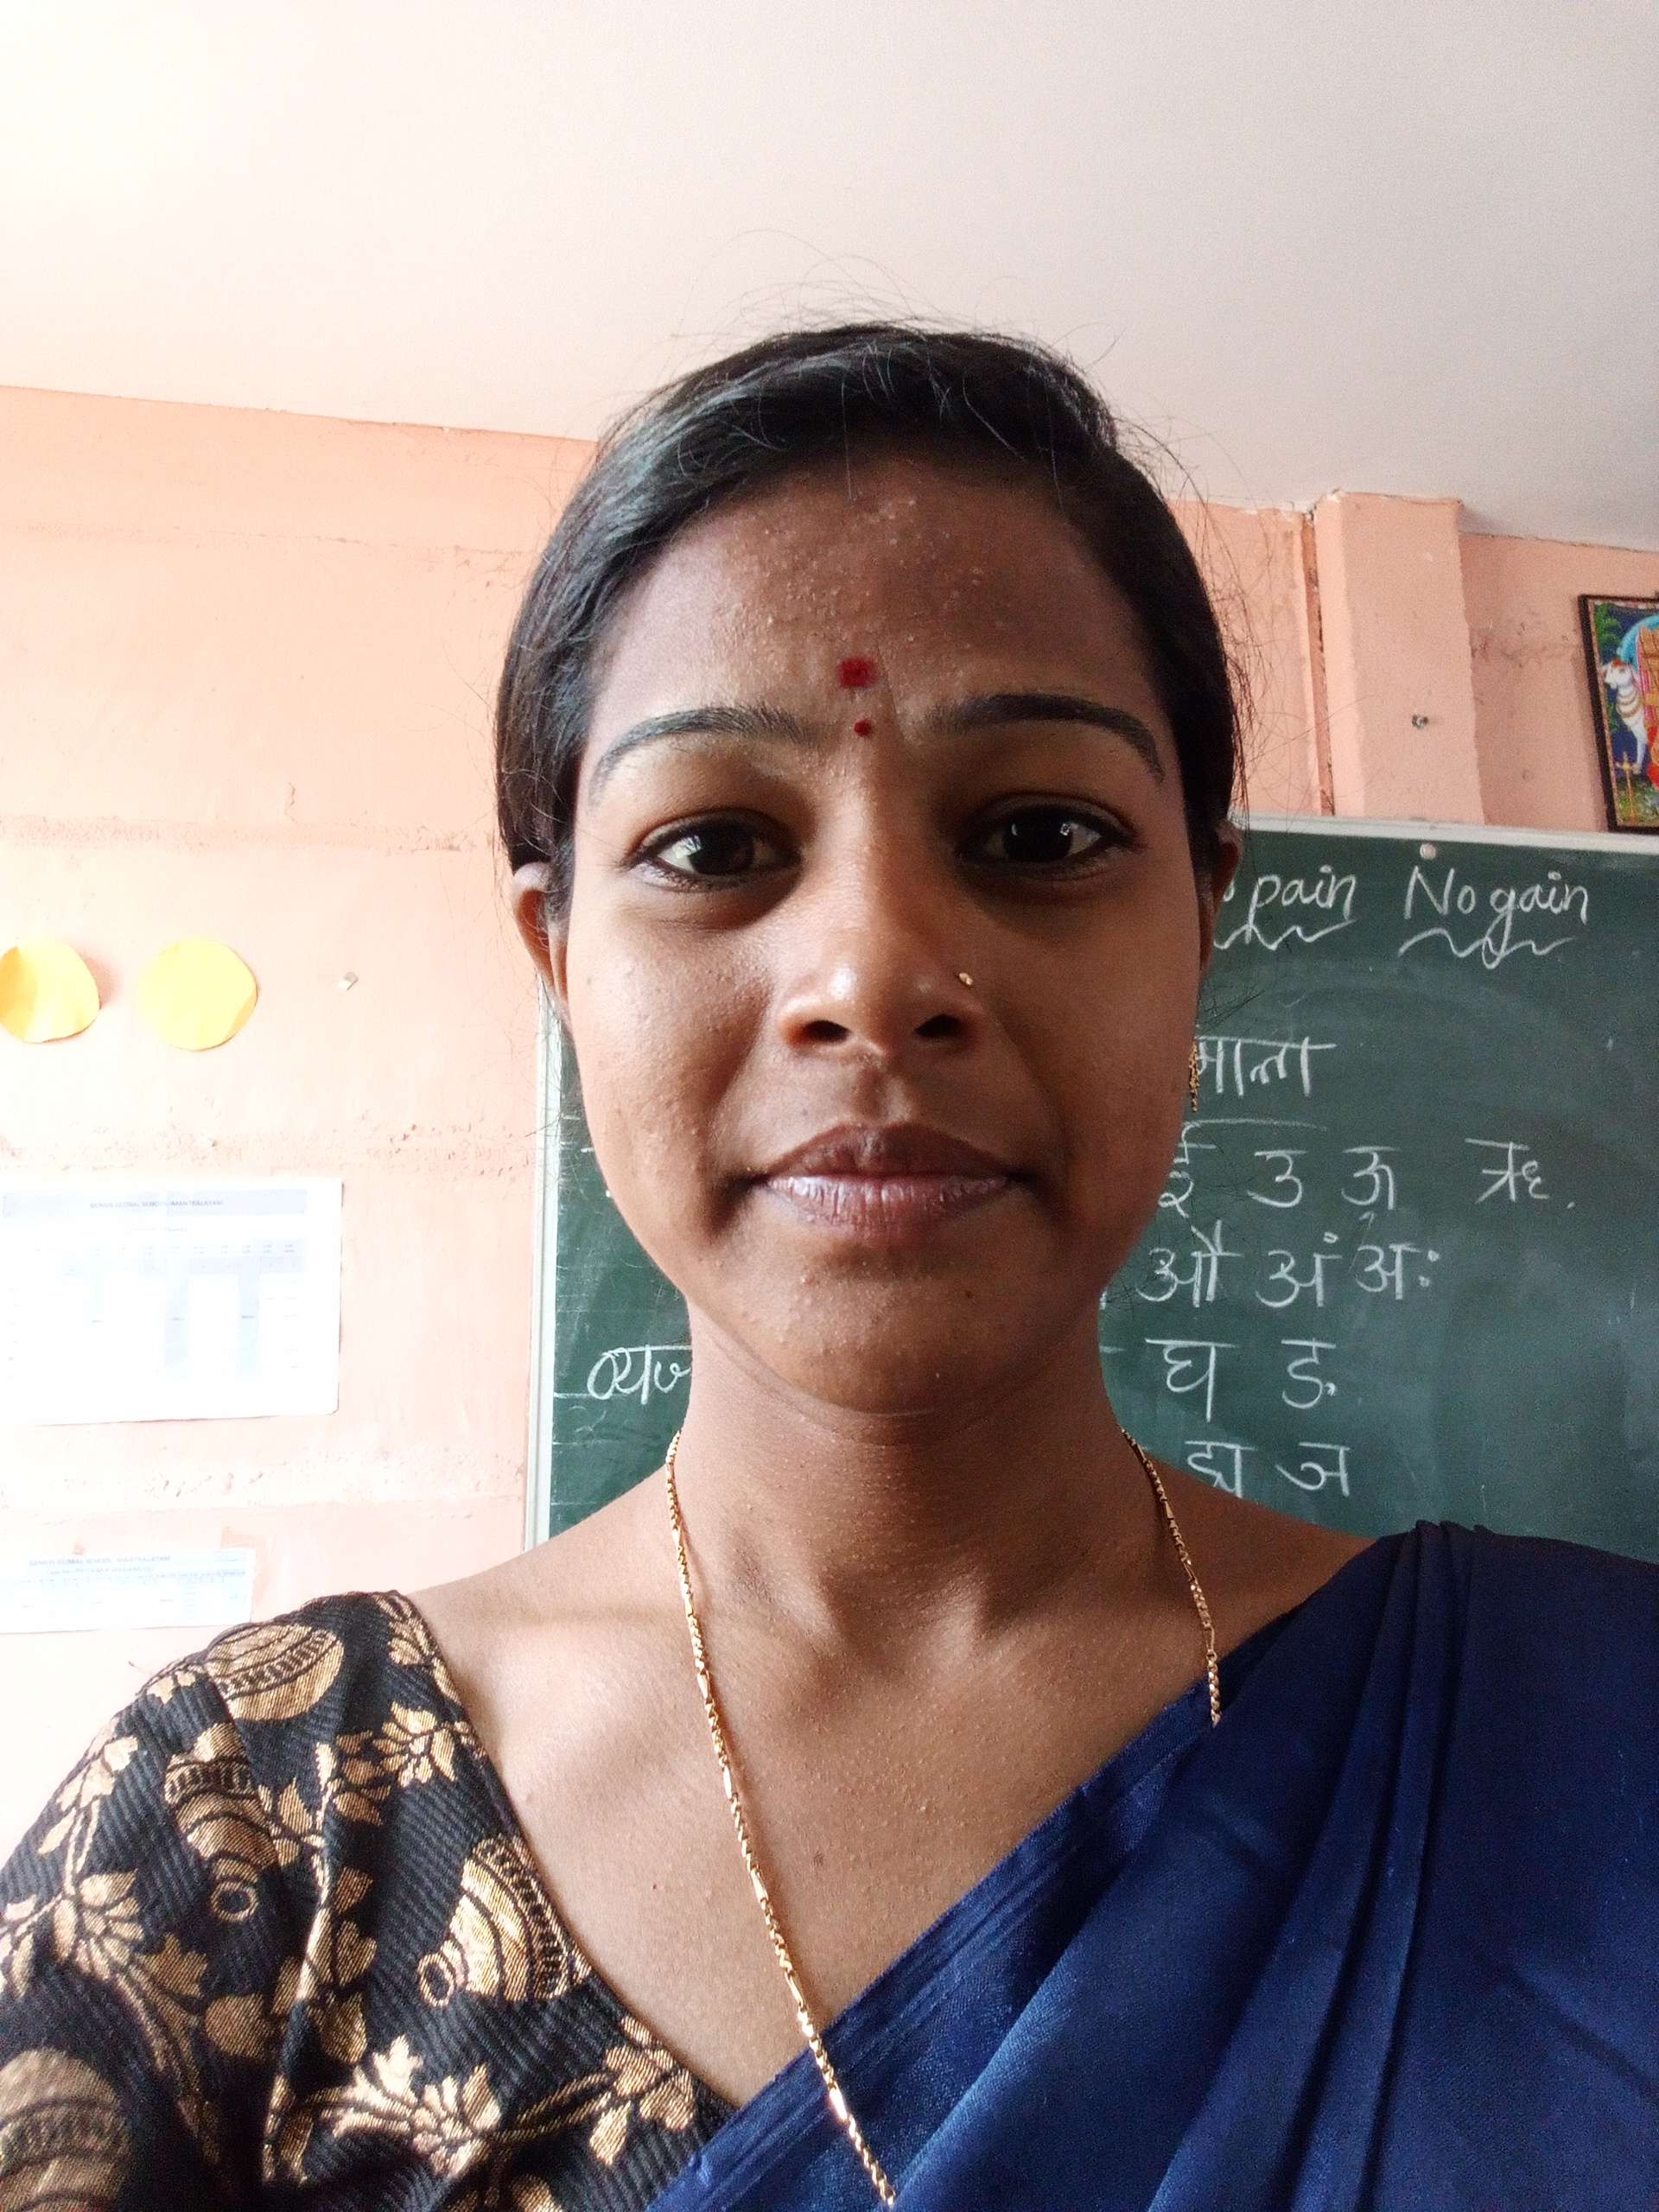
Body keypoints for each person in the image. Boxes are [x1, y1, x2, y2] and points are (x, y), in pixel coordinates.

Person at [2, 324, 1655, 2210]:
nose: (872, 973)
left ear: (1205, 918)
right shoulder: (252, 1838)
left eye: (1041, 833)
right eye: (715, 844)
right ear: (561, 958)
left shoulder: (1586, 1744)